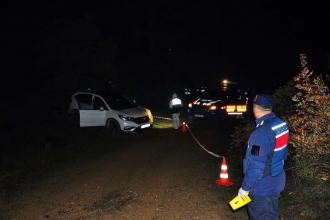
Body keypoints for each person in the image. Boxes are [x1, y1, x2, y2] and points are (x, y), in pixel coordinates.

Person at [238, 94, 289, 220]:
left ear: (255, 108)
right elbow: (283, 152)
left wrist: (245, 189)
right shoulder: (281, 124)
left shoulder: (261, 133)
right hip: (276, 180)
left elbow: (256, 166)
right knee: (271, 214)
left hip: (262, 187)